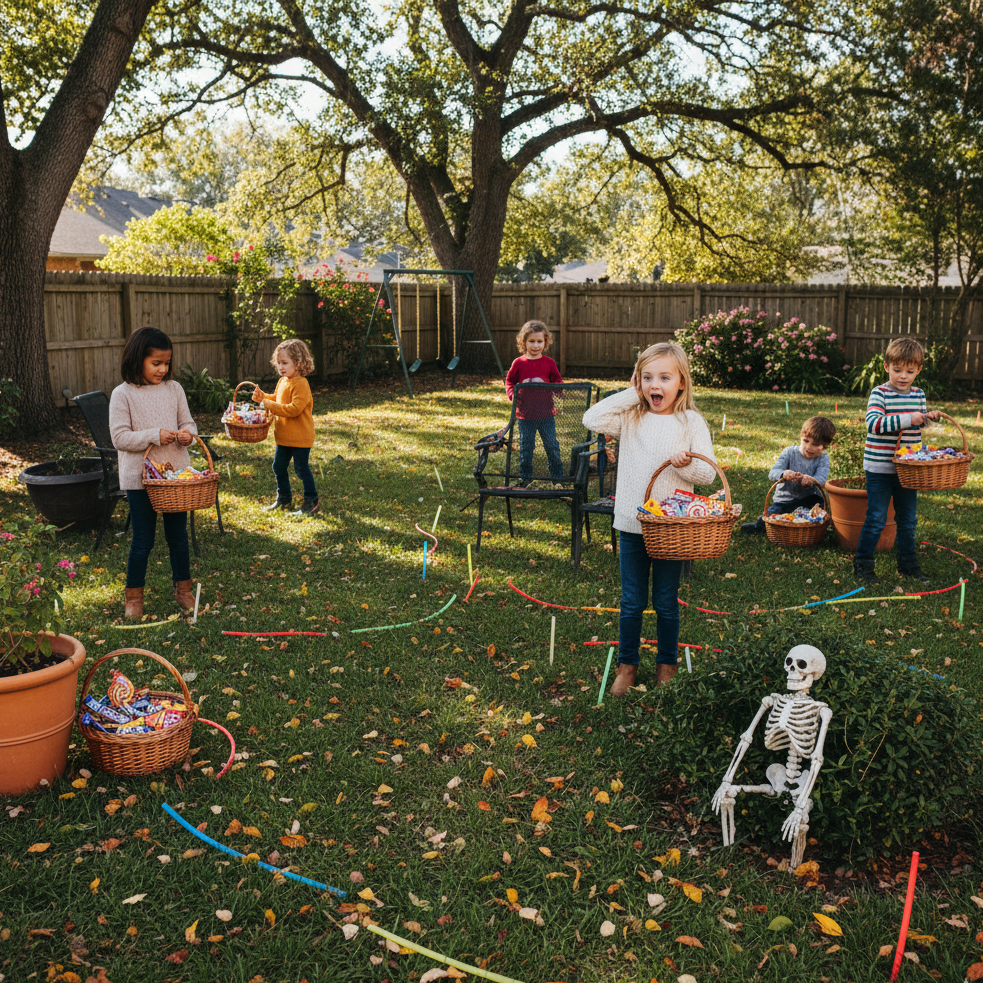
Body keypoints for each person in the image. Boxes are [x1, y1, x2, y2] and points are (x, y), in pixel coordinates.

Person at [583, 342, 716, 693]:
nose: (655, 385)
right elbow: (591, 418)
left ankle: (667, 664)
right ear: (637, 380)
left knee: (666, 601)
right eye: (647, 377)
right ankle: (628, 665)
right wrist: (631, 393)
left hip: (672, 530)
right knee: (631, 601)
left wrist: (687, 464)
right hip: (631, 523)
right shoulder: (632, 415)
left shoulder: (691, 421)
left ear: (681, 382)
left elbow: (708, 476)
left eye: (664, 377)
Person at [109, 326, 198, 619]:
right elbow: (120, 438)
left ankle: (184, 590)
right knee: (143, 540)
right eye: (156, 363)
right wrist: (155, 435)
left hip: (174, 480)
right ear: (138, 359)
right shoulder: (122, 395)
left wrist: (188, 435)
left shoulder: (174, 389)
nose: (163, 369)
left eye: (166, 363)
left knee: (178, 537)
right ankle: (134, 596)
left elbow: (189, 423)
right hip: (141, 479)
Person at [854, 337, 940, 585]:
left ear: (918, 370)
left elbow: (917, 422)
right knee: (877, 517)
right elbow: (874, 424)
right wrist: (910, 418)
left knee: (908, 518)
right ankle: (863, 564)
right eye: (897, 370)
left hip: (908, 469)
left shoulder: (918, 394)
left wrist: (927, 417)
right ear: (886, 367)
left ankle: (908, 565)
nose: (903, 376)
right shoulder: (879, 393)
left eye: (910, 371)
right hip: (880, 468)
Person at [253, 339, 319, 515]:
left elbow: (293, 410)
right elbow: (277, 399)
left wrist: (266, 403)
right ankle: (284, 499)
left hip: (300, 437)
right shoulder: (283, 381)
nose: (281, 367)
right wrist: (263, 398)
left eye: (285, 363)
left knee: (301, 469)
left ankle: (311, 501)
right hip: (284, 436)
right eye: (278, 363)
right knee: (278, 467)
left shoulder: (301, 384)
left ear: (298, 363)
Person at [742, 416, 836, 533]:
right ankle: (759, 526)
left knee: (819, 511)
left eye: (815, 444)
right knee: (771, 515)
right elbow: (772, 473)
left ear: (825, 446)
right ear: (801, 437)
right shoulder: (789, 452)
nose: (808, 447)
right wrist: (784, 474)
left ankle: (814, 527)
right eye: (806, 441)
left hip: (809, 500)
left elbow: (821, 478)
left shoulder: (823, 458)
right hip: (784, 501)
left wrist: (811, 480)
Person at [504, 320, 564, 487]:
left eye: (539, 341)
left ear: (545, 342)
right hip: (525, 414)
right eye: (531, 341)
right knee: (526, 447)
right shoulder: (519, 363)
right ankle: (525, 479)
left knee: (552, 445)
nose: (535, 345)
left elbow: (557, 380)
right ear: (524, 342)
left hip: (546, 414)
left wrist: (559, 389)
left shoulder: (549, 363)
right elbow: (509, 381)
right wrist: (512, 394)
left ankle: (557, 479)